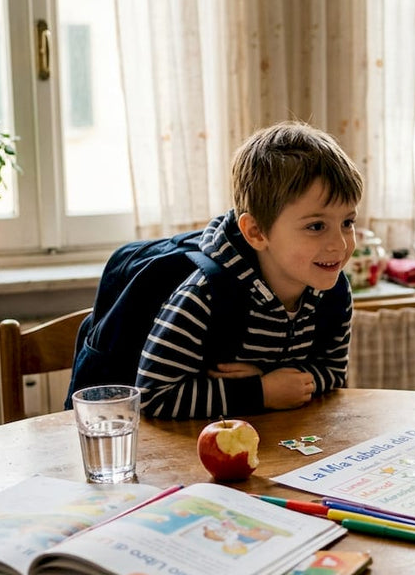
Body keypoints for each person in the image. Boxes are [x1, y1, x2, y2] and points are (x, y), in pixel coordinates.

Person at [137, 121, 362, 419]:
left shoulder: (333, 290)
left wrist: (273, 376)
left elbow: (333, 371)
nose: (340, 244)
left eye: (347, 222)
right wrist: (261, 392)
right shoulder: (204, 297)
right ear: (256, 232)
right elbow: (150, 397)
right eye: (316, 226)